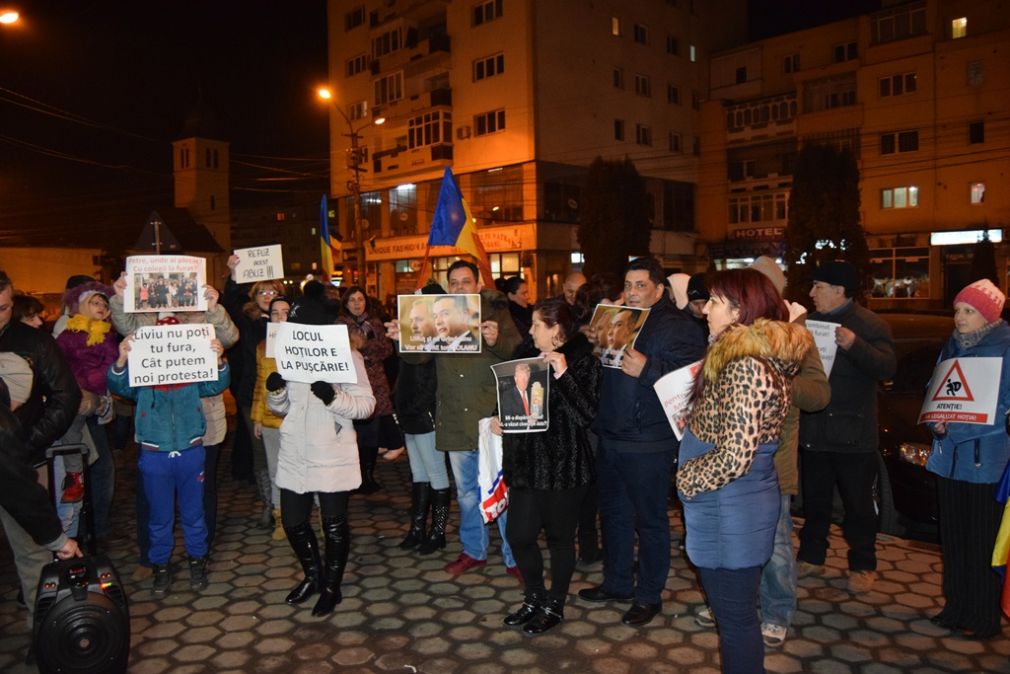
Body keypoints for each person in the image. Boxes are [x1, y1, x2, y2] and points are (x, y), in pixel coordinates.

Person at [677, 268, 812, 673]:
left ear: (739, 310)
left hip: (729, 507)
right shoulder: (744, 355)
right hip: (736, 503)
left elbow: (737, 455)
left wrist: (687, 479)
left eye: (715, 303)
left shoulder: (745, 365)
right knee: (736, 617)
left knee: (735, 621)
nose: (706, 311)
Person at [579, 257, 706, 626]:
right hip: (612, 433)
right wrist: (595, 341)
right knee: (614, 516)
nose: (632, 292)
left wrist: (648, 369)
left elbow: (691, 381)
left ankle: (649, 595)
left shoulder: (677, 326)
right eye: (628, 284)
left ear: (659, 289)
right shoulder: (618, 317)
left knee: (650, 521)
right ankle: (617, 583)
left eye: (640, 285)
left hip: (649, 439)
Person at [388, 260, 522, 579]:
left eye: (466, 281)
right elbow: (416, 357)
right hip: (455, 420)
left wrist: (496, 341)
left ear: (477, 285)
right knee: (466, 494)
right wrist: (400, 338)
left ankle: (513, 556)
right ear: (449, 287)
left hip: (490, 420)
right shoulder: (437, 315)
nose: (460, 287)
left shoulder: (495, 312)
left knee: (500, 491)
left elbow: (519, 353)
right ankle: (473, 551)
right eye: (454, 282)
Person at [111, 276, 239, 570]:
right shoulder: (144, 316)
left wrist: (213, 308)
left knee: (201, 494)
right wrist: (119, 299)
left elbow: (230, 338)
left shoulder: (201, 309)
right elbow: (124, 329)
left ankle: (199, 554)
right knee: (155, 499)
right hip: (158, 426)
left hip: (200, 417)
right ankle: (156, 557)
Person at [266, 296, 376, 617]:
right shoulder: (289, 355)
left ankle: (332, 587)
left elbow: (366, 405)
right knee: (293, 521)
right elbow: (284, 408)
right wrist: (277, 392)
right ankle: (313, 576)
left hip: (331, 448)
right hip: (296, 449)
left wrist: (334, 397)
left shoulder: (347, 355)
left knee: (333, 524)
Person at [497, 298, 601, 635]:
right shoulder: (525, 357)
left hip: (564, 468)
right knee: (519, 535)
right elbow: (515, 404)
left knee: (559, 540)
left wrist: (563, 373)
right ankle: (534, 597)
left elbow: (587, 415)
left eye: (537, 325)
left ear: (555, 329)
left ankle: (554, 604)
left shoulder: (584, 361)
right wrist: (502, 420)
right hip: (527, 465)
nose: (530, 331)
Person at [797, 261, 896, 594]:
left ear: (839, 291)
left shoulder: (869, 324)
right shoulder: (806, 324)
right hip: (813, 431)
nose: (812, 293)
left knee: (858, 507)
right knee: (815, 502)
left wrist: (855, 345)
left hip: (854, 435)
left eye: (818, 287)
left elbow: (886, 366)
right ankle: (811, 556)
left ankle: (863, 565)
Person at [926, 279, 1010, 639]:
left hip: (985, 464)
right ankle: (955, 606)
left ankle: (983, 616)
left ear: (989, 316)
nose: (959, 318)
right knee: (955, 538)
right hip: (949, 461)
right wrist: (935, 423)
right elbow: (938, 393)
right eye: (958, 310)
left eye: (969, 311)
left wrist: (955, 430)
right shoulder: (951, 347)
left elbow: (999, 412)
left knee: (981, 541)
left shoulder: (1005, 350)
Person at [0, 270, 82, 622]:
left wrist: (28, 440)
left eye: (3, 308)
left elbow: (66, 396)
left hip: (23, 463)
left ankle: (44, 633)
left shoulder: (33, 341)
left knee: (33, 552)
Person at [222, 255, 286, 517]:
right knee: (261, 450)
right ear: (254, 295)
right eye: (261, 291)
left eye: (272, 291)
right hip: (252, 394)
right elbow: (229, 303)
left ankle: (290, 501)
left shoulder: (287, 320)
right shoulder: (247, 320)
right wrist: (233, 275)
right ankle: (270, 504)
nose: (267, 295)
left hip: (287, 395)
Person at [54, 281, 118, 532]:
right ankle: (74, 478)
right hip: (73, 397)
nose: (101, 307)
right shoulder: (68, 334)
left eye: (104, 304)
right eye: (95, 303)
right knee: (74, 435)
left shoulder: (107, 335)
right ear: (82, 306)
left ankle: (95, 527)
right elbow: (58, 363)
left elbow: (111, 365)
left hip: (95, 398)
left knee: (101, 464)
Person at [395, 284, 450, 553]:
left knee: (436, 473)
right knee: (418, 474)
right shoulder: (411, 335)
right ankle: (417, 529)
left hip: (426, 414)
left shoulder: (441, 337)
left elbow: (429, 375)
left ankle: (437, 532)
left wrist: (418, 405)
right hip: (409, 412)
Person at [340, 286, 396, 494]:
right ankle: (352, 476)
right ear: (345, 303)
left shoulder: (374, 323)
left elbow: (387, 349)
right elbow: (342, 349)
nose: (357, 303)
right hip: (349, 383)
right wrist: (362, 349)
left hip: (375, 384)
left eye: (360, 299)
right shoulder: (339, 324)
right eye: (352, 300)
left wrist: (365, 349)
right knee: (352, 433)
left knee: (371, 434)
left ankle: (368, 475)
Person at [251, 296, 291, 541]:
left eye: (285, 311)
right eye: (275, 313)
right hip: (270, 419)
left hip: (298, 419)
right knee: (276, 470)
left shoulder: (306, 343)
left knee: (307, 468)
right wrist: (256, 417)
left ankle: (318, 515)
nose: (280, 317)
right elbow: (259, 383)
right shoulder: (262, 346)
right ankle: (280, 518)